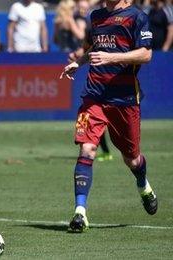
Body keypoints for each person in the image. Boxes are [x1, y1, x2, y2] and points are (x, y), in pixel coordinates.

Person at [60, 0, 157, 233]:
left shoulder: (137, 17)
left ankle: (143, 184)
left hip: (124, 99)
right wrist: (78, 62)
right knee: (87, 149)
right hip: (94, 96)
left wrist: (111, 58)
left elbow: (146, 54)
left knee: (131, 158)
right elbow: (91, 47)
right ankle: (80, 213)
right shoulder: (96, 17)